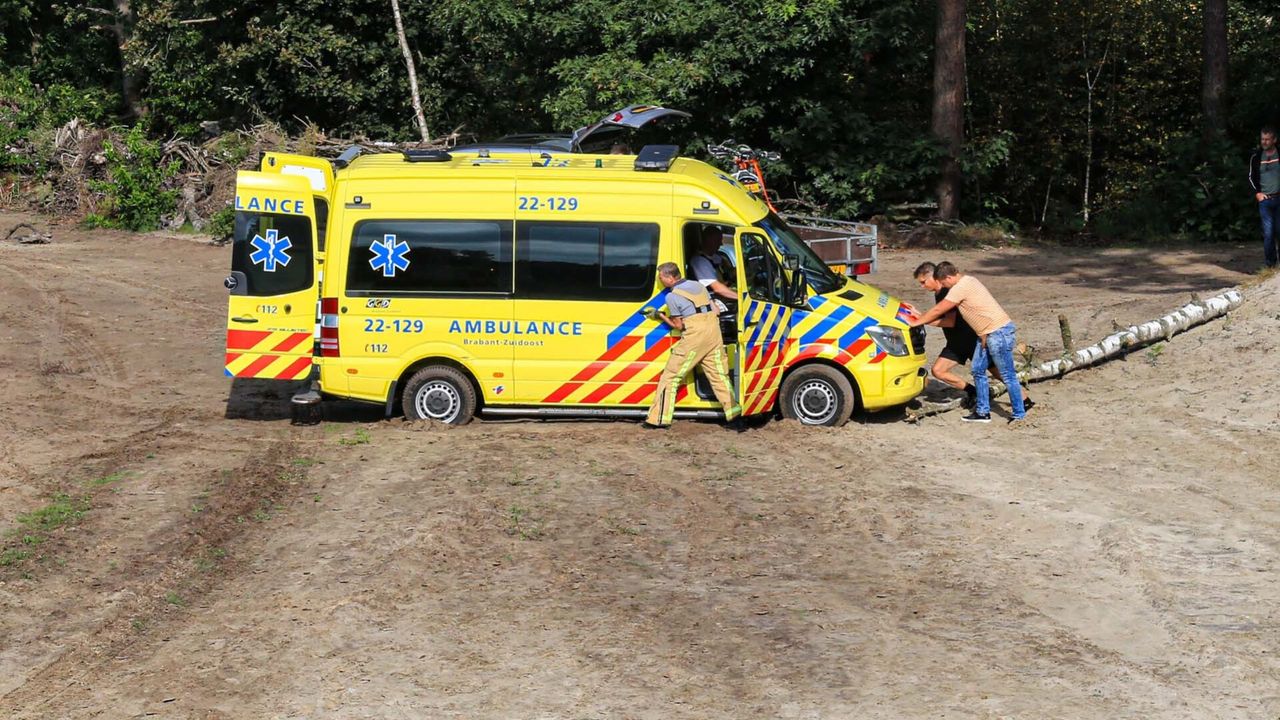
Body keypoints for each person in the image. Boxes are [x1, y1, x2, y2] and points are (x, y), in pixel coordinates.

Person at [908, 262, 1027, 423]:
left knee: (1005, 374)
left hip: (995, 333)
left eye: (943, 283)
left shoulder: (957, 289)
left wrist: (916, 321)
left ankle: (1019, 412)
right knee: (978, 371)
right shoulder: (968, 281)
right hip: (983, 335)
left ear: (946, 277)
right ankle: (983, 411)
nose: (943, 286)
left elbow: (941, 313)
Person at [642, 263, 743, 431]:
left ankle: (658, 419)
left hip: (695, 335)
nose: (660, 281)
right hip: (713, 331)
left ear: (670, 277)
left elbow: (679, 325)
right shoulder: (698, 285)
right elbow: (716, 310)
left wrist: (659, 315)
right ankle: (735, 417)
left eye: (661, 278)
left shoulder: (672, 297)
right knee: (719, 375)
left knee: (671, 376)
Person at [1249, 125, 1280, 268]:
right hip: (1265, 200)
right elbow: (1251, 177)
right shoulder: (1256, 157)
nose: (1264, 142)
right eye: (1262, 139)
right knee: (1268, 233)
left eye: (1268, 139)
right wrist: (1258, 193)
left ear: (1274, 140)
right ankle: (1270, 265)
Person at [687, 225, 738, 309]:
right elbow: (718, 289)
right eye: (718, 240)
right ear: (709, 241)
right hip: (712, 303)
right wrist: (741, 298)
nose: (721, 244)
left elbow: (729, 274)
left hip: (722, 298)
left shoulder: (716, 258)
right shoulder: (700, 262)